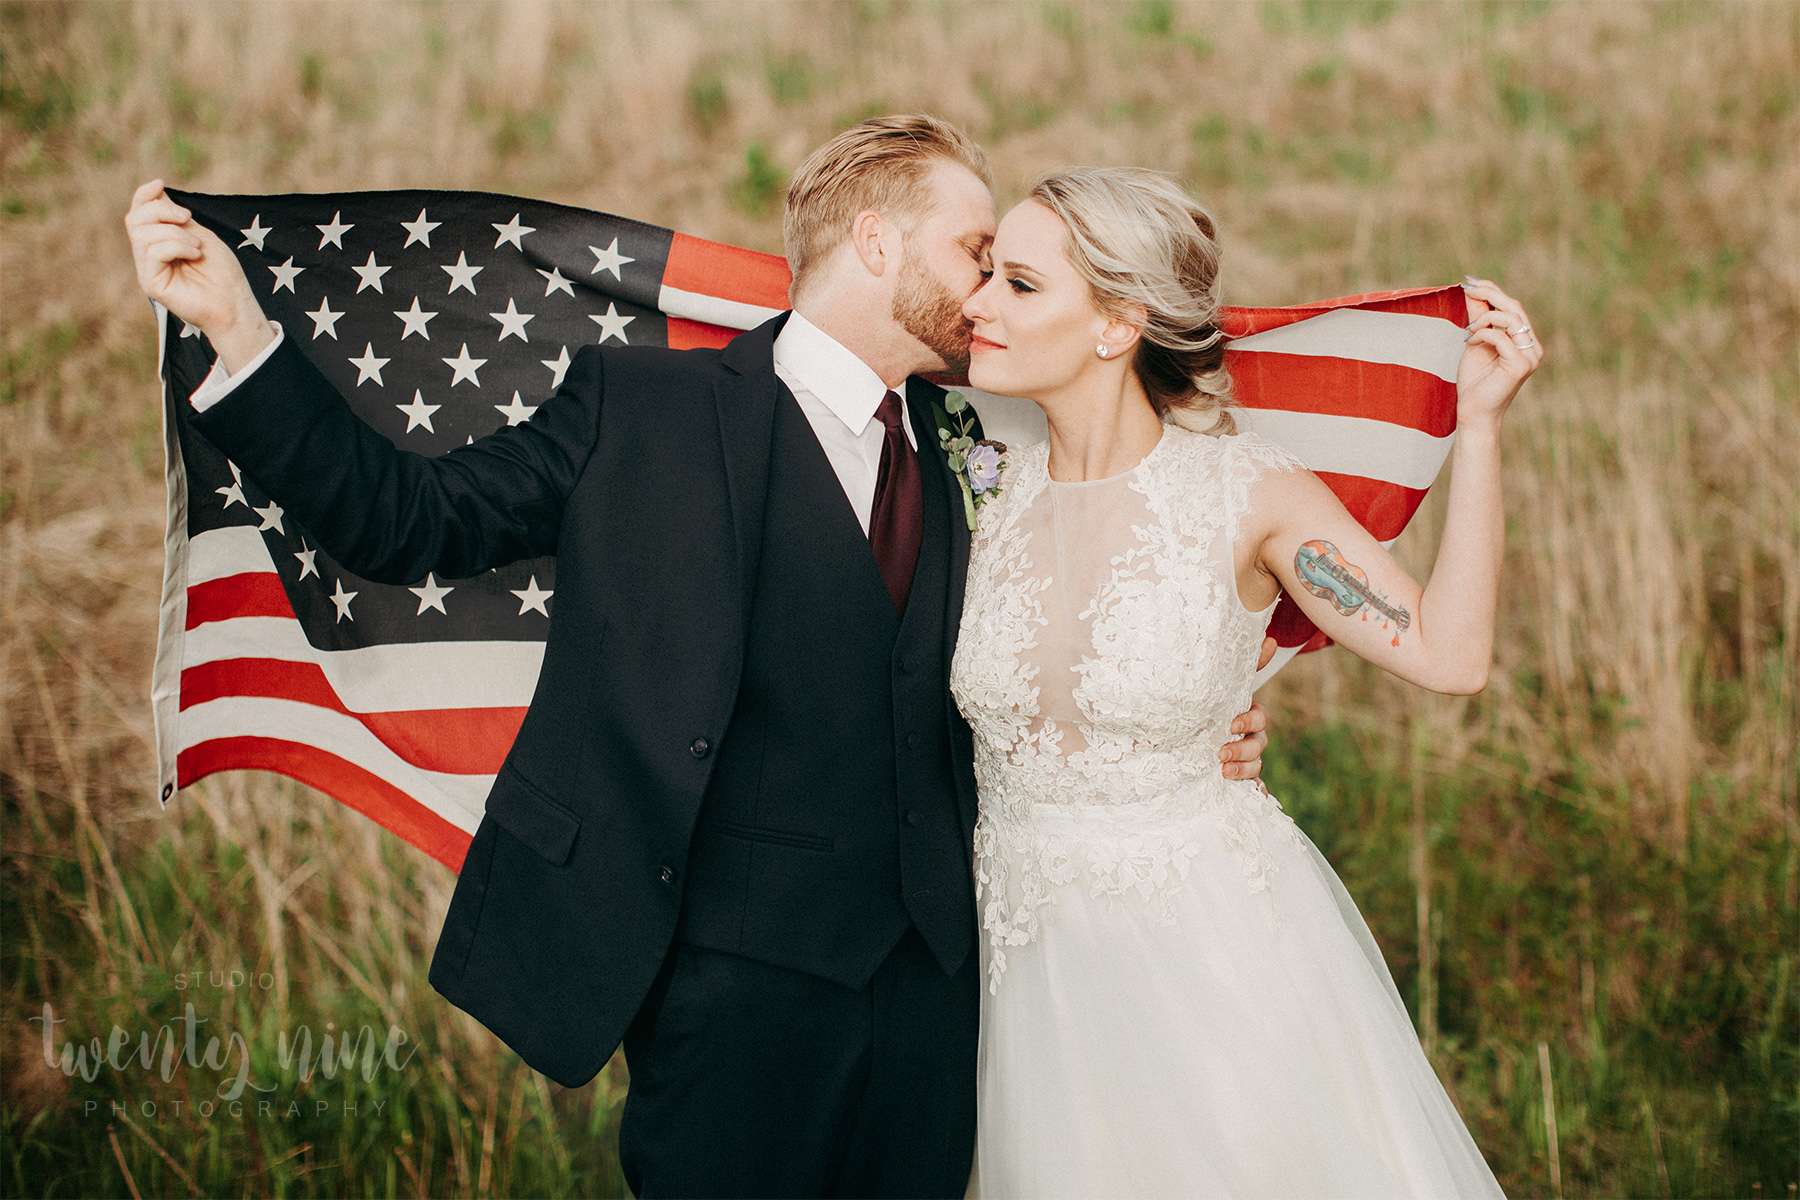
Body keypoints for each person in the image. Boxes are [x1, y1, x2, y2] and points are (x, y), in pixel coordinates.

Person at [124, 117, 1272, 1197]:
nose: (987, 292)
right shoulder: (644, 409)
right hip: (727, 998)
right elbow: (408, 521)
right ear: (875, 241)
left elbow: (1077, 614)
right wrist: (239, 335)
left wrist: (1181, 726)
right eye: (975, 252)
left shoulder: (983, 438)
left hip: (932, 993)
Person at [949, 166, 1537, 1198]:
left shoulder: (1248, 496)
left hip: (1209, 964)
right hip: (1026, 975)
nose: (978, 304)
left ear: (1116, 324)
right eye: (989, 273)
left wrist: (1478, 427)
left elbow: (1450, 655)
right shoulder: (978, 475)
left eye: (1022, 286)